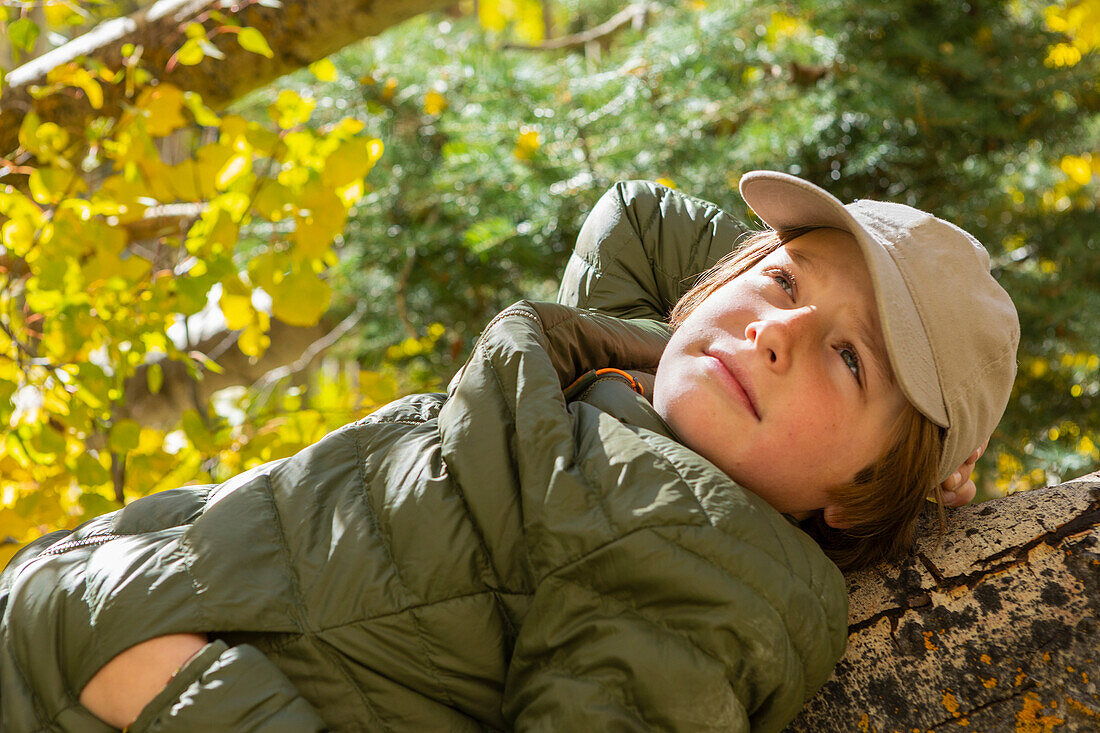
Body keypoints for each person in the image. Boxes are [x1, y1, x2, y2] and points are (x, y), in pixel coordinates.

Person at [0, 171, 1019, 732]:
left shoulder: (712, 584)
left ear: (858, 488)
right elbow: (635, 213)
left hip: (107, 678)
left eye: (848, 360)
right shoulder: (628, 371)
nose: (776, 333)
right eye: (783, 283)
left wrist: (174, 686)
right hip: (75, 597)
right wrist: (715, 324)